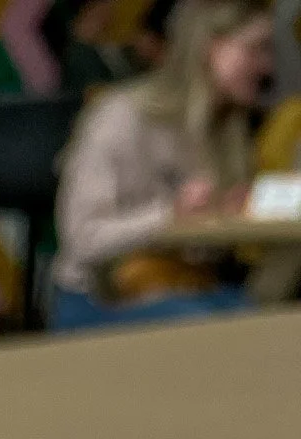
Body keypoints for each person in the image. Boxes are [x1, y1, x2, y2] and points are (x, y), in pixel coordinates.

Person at [52, 0, 274, 326]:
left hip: (183, 286)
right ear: (209, 48)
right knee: (227, 327)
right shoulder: (121, 117)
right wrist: (170, 216)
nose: (266, 66)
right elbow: (82, 239)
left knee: (266, 318)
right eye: (255, 49)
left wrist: (225, 213)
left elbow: (201, 251)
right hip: (101, 297)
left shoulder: (226, 129)